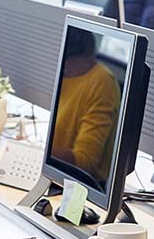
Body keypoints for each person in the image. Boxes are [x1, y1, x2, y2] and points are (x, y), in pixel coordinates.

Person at [50, 28, 120, 181]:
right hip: (52, 173)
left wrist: (40, 152)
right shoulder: (64, 75)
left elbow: (85, 161)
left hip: (77, 182)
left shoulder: (102, 82)